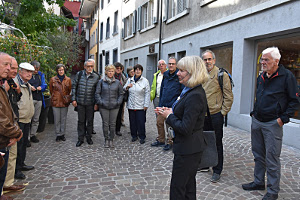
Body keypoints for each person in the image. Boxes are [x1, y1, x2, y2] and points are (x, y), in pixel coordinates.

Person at [242, 47, 300, 200]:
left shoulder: (287, 76)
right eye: (262, 59)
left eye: (266, 59)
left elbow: (294, 101)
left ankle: (273, 191)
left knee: (272, 158)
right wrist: (254, 113)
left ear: (276, 61)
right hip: (257, 121)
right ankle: (258, 182)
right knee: (258, 155)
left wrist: (282, 119)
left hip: (273, 124)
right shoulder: (261, 77)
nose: (262, 62)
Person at [155, 56, 208, 199]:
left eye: (182, 70)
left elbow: (185, 127)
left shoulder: (195, 95)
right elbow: (184, 114)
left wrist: (169, 116)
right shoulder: (189, 91)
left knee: (179, 189)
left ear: (192, 73)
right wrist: (170, 111)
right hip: (187, 148)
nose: (178, 73)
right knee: (188, 186)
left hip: (188, 150)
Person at [201, 50, 234, 182]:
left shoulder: (222, 74)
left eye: (209, 59)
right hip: (202, 115)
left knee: (216, 143)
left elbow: (229, 96)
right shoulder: (201, 74)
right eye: (205, 59)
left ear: (214, 60)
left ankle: (217, 169)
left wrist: (222, 113)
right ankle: (205, 164)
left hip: (215, 115)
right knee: (204, 140)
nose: (207, 62)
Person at [0, 52, 23, 200]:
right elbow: (2, 118)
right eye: (6, 65)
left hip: (7, 135)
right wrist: (16, 133)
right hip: (5, 135)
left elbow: (10, 110)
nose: (9, 69)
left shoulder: (5, 84)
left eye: (11, 66)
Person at [151, 57, 184, 151]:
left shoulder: (179, 75)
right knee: (159, 122)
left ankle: (170, 142)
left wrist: (177, 104)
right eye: (169, 64)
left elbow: (182, 91)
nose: (171, 65)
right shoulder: (165, 75)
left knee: (169, 125)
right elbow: (162, 89)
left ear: (176, 65)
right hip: (163, 104)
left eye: (173, 64)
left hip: (173, 105)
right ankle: (161, 140)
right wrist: (160, 103)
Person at [13, 62, 35, 180]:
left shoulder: (26, 84)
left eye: (31, 72)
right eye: (26, 71)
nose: (29, 74)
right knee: (18, 145)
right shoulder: (15, 83)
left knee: (24, 144)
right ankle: (16, 169)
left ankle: (21, 164)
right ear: (20, 71)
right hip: (19, 119)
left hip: (27, 118)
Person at [72, 59, 100, 147]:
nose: (90, 68)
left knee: (90, 121)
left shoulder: (96, 76)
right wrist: (73, 99)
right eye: (88, 66)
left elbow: (97, 91)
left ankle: (89, 137)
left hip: (90, 103)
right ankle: (80, 138)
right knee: (81, 121)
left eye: (91, 66)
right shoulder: (79, 74)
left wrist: (96, 103)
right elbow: (74, 87)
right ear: (85, 67)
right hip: (80, 102)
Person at [95, 65, 123, 148]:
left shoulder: (117, 82)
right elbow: (97, 93)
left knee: (113, 123)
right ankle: (106, 139)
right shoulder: (101, 82)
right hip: (104, 106)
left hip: (115, 106)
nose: (110, 73)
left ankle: (111, 139)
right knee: (105, 123)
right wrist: (101, 102)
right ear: (106, 72)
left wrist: (118, 102)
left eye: (112, 71)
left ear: (114, 72)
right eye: (109, 71)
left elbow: (121, 94)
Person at [124, 64, 150, 144]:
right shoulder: (130, 80)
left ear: (142, 71)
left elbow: (147, 93)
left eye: (139, 70)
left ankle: (142, 136)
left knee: (141, 121)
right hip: (131, 105)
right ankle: (134, 135)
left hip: (141, 105)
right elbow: (124, 88)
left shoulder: (145, 81)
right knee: (132, 121)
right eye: (136, 70)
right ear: (134, 71)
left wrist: (146, 105)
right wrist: (127, 87)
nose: (138, 71)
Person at [49, 64, 72, 142]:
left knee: (63, 119)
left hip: (64, 102)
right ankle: (58, 134)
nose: (61, 71)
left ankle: (62, 134)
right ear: (57, 71)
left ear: (64, 70)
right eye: (59, 70)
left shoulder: (68, 79)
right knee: (57, 119)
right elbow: (51, 90)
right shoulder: (53, 79)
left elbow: (69, 90)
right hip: (56, 102)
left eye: (62, 70)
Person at [28, 61, 47, 144]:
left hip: (38, 98)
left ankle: (33, 134)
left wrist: (41, 87)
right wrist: (30, 87)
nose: (36, 71)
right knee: (29, 118)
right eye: (35, 69)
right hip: (30, 99)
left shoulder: (40, 75)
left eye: (37, 69)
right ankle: (27, 137)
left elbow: (44, 85)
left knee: (36, 118)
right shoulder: (28, 74)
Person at [114, 62, 127, 136]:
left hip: (120, 98)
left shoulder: (123, 77)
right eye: (117, 68)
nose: (118, 70)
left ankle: (117, 129)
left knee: (119, 114)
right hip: (112, 98)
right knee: (112, 115)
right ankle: (111, 129)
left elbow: (125, 86)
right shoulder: (111, 76)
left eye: (120, 68)